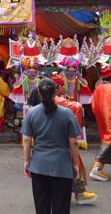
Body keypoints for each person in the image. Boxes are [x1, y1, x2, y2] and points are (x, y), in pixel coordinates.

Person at [22, 78, 81, 214]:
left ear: (39, 93)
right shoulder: (66, 113)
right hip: (62, 166)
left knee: (41, 207)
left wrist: (26, 162)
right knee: (61, 207)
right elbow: (73, 142)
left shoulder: (32, 113)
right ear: (56, 92)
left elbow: (27, 140)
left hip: (39, 166)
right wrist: (75, 164)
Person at [52, 74, 97, 205]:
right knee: (73, 165)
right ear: (58, 88)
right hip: (63, 142)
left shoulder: (43, 102)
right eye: (62, 85)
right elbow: (77, 107)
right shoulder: (61, 102)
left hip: (47, 144)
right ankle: (80, 193)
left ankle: (54, 195)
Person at [90, 65, 111, 182]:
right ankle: (97, 168)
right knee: (110, 142)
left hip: (101, 119)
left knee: (108, 140)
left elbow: (93, 106)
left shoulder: (98, 88)